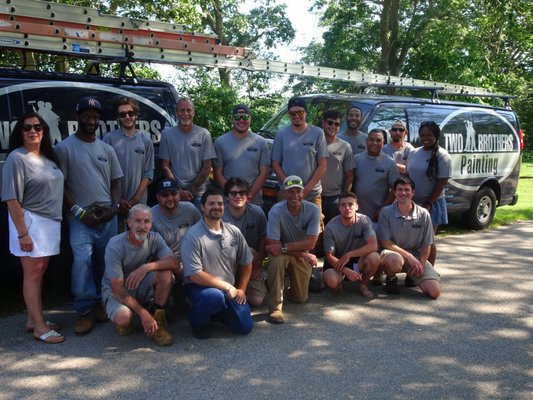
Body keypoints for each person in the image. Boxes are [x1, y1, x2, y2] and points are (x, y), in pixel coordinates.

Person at [54, 97, 124, 335]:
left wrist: (114, 207)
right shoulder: (63, 148)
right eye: (86, 115)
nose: (91, 120)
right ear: (78, 117)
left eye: (95, 116)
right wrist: (78, 212)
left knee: (105, 262)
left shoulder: (107, 149)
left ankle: (103, 304)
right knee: (82, 261)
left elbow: (116, 181)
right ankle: (85, 310)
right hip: (80, 217)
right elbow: (60, 185)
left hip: (107, 215)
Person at [2, 112, 65, 344]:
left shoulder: (48, 158)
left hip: (49, 223)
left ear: (44, 131)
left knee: (40, 272)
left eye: (37, 127)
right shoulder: (17, 158)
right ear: (20, 132)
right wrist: (22, 233)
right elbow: (11, 199)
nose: (33, 131)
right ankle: (39, 327)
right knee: (32, 273)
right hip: (31, 222)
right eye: (27, 127)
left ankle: (33, 319)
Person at [181, 187, 254, 339]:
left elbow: (247, 262)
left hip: (228, 289)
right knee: (214, 297)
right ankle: (196, 321)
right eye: (211, 204)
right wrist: (227, 287)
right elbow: (195, 275)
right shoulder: (192, 235)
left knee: (244, 327)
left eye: (220, 204)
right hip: (199, 288)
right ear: (202, 207)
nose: (216, 207)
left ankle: (215, 312)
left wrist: (241, 289)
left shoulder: (233, 231)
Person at [102, 204, 177, 346]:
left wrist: (147, 267)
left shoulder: (154, 238)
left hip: (139, 283)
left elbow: (174, 263)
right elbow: (117, 289)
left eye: (146, 221)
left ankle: (158, 321)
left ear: (151, 224)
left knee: (166, 273)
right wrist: (143, 314)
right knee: (124, 320)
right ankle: (139, 313)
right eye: (137, 221)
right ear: (129, 223)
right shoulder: (115, 245)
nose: (142, 226)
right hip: (117, 289)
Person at [265, 175, 321, 324]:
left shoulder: (313, 210)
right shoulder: (276, 211)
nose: (294, 196)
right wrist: (302, 252)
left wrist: (287, 248)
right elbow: (273, 245)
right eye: (290, 191)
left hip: (297, 253)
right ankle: (275, 307)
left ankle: (284, 287)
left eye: (298, 191)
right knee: (276, 260)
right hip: (284, 254)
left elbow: (311, 243)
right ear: (284, 193)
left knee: (301, 298)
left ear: (303, 193)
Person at [377, 177, 441, 299]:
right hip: (394, 253)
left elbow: (427, 244)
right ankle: (391, 279)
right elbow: (385, 242)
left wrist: (421, 263)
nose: (403, 193)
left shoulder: (423, 214)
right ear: (394, 192)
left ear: (413, 192)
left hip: (416, 256)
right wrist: (409, 256)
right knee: (394, 261)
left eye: (407, 190)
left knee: (434, 292)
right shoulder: (386, 212)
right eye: (399, 190)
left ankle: (411, 277)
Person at [103, 97, 154, 231]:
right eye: (122, 114)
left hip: (138, 205)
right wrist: (119, 201)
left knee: (139, 243)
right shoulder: (108, 139)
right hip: (115, 205)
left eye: (130, 113)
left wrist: (135, 199)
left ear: (136, 115)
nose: (127, 117)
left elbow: (148, 173)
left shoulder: (146, 140)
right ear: (118, 118)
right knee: (118, 243)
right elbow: (105, 173)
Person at [406, 121, 451, 268]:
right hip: (412, 204)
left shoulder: (442, 156)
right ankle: (413, 269)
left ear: (436, 136)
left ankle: (428, 270)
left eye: (429, 135)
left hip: (432, 204)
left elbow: (441, 183)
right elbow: (407, 176)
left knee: (428, 240)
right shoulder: (414, 153)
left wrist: (429, 202)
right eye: (423, 134)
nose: (426, 138)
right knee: (413, 239)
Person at [271, 97, 328, 209]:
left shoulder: (317, 133)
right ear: (289, 115)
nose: (296, 116)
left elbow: (323, 165)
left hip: (312, 194)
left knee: (315, 226)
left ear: (306, 113)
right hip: (286, 194)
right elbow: (275, 164)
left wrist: (305, 190)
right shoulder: (281, 134)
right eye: (293, 113)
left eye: (300, 112)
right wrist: (291, 188)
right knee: (284, 225)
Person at [159, 97, 216, 209]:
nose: (185, 113)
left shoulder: (204, 134)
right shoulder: (167, 134)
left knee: (200, 225)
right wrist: (178, 191)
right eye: (182, 110)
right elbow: (165, 166)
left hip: (199, 193)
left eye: (189, 110)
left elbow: (207, 167)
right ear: (176, 113)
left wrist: (190, 190)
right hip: (175, 193)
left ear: (193, 113)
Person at [323, 192, 380, 298]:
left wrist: (349, 254)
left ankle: (363, 285)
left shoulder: (364, 220)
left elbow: (373, 245)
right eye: (343, 205)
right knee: (332, 281)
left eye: (350, 204)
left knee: (374, 257)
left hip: (357, 260)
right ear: (339, 208)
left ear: (357, 206)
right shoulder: (330, 227)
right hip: (337, 261)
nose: (347, 208)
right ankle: (339, 281)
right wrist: (346, 271)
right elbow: (329, 256)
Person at [222, 177, 267, 307]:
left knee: (257, 300)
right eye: (233, 193)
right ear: (227, 196)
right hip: (226, 261)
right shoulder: (220, 214)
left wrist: (258, 265)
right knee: (225, 296)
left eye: (242, 193)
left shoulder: (257, 212)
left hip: (251, 262)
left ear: (248, 196)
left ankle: (249, 282)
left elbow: (263, 238)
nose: (238, 196)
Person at [213, 104, 270, 206]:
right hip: (228, 201)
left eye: (245, 117)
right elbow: (217, 173)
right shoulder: (220, 142)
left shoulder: (261, 142)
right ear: (232, 119)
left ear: (250, 119)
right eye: (237, 117)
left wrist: (250, 195)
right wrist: (232, 195)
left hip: (254, 200)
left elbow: (264, 173)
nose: (241, 120)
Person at [151, 178, 202, 279]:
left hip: (191, 259)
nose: (170, 198)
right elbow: (152, 251)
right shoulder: (150, 215)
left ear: (179, 195)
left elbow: (204, 230)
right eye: (165, 195)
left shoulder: (190, 209)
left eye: (173, 194)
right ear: (158, 197)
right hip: (166, 262)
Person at [353, 128, 400, 223]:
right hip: (357, 214)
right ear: (366, 141)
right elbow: (350, 183)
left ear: (383, 142)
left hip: (378, 216)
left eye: (378, 140)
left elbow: (395, 189)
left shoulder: (390, 162)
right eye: (371, 139)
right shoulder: (356, 159)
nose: (374, 143)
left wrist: (383, 209)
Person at [321, 109, 354, 224]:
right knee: (314, 233)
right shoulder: (314, 143)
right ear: (323, 123)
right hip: (314, 195)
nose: (333, 126)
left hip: (334, 198)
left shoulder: (345, 146)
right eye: (330, 123)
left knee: (333, 231)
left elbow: (349, 175)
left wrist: (343, 197)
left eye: (337, 124)